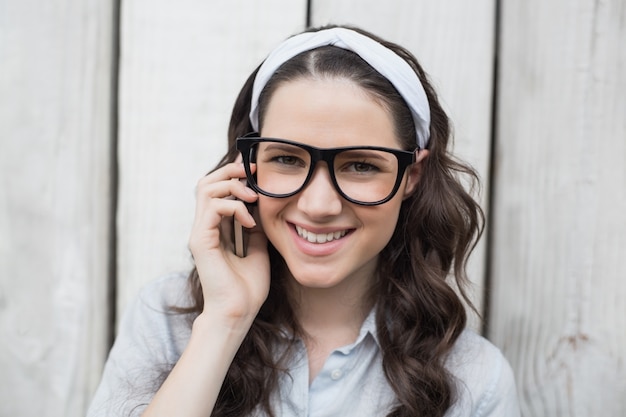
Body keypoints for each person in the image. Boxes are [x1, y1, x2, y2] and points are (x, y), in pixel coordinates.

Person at [87, 25, 520, 417]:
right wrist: (225, 321)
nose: (318, 205)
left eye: (361, 166)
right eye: (288, 159)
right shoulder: (166, 321)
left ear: (411, 176)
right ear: (247, 166)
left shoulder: (476, 381)